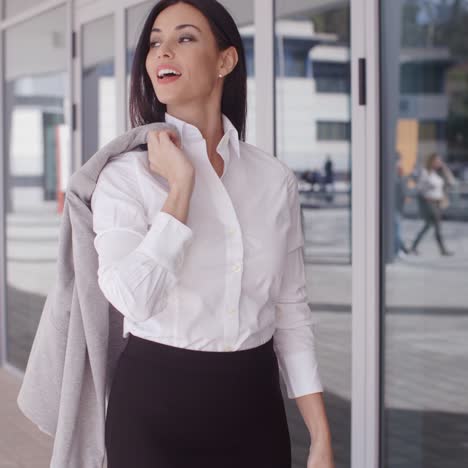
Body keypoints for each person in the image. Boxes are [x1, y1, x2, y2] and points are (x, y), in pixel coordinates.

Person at [91, 1, 335, 467]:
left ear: (225, 60)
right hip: (153, 408)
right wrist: (180, 188)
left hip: (254, 405)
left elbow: (290, 312)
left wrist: (320, 436)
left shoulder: (273, 179)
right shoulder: (124, 177)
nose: (164, 51)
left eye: (184, 38)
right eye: (155, 42)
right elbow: (132, 299)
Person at [409, 152, 457, 256]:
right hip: (430, 203)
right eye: (437, 161)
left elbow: (452, 182)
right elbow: (419, 188)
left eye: (440, 161)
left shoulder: (439, 173)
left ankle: (413, 247)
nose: (439, 162)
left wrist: (444, 168)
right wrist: (427, 194)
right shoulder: (425, 172)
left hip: (439, 203)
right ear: (431, 161)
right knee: (437, 226)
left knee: (428, 226)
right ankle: (443, 250)